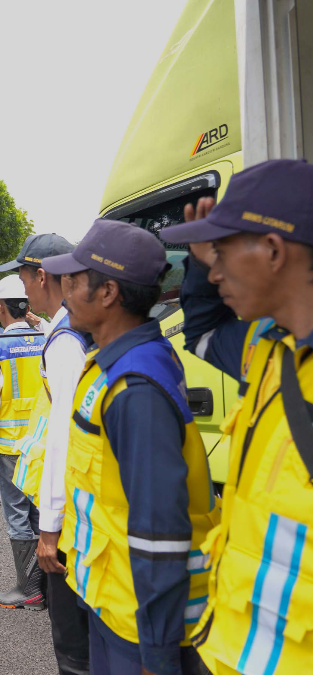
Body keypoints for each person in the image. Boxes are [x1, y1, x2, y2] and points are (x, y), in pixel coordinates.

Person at [41, 219, 217, 675]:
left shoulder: (135, 387)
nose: (64, 292)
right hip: (111, 598)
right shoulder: (111, 362)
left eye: (74, 281)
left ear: (108, 293)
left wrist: (157, 656)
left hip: (138, 625)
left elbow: (159, 533)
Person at [158, 159, 313, 675]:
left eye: (222, 255)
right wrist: (203, 262)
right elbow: (202, 329)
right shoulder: (268, 349)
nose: (213, 271)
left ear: (272, 251)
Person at [2, 233, 91, 674]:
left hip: (70, 510)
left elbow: (64, 434)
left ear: (41, 275)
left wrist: (51, 527)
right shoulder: (66, 328)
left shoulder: (66, 341)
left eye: (21, 275)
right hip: (73, 503)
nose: (20, 287)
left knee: (73, 642)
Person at [0, 274, 47, 609]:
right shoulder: (46, 337)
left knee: (17, 514)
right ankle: (45, 584)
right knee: (39, 511)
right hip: (41, 443)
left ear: (0, 308)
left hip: (8, 447)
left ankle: (28, 589)